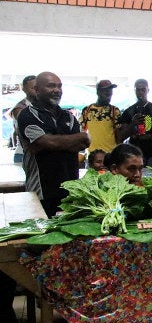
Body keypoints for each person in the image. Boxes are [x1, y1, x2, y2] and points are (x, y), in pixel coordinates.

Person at [17, 72, 91, 217]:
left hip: (70, 191)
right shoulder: (27, 115)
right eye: (51, 86)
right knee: (43, 235)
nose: (57, 90)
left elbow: (84, 142)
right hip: (42, 192)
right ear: (37, 90)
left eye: (59, 86)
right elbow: (47, 143)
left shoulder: (68, 117)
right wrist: (71, 140)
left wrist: (54, 143)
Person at [117, 79, 152, 167]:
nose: (140, 92)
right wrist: (133, 124)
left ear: (148, 90)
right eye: (138, 90)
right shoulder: (129, 111)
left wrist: (145, 137)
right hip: (133, 155)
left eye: (143, 89)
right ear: (135, 91)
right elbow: (120, 137)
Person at [79, 80, 121, 153]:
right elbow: (81, 132)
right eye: (106, 91)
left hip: (110, 154)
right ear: (98, 92)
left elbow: (119, 135)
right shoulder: (87, 110)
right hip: (92, 155)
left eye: (110, 91)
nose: (109, 93)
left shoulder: (114, 110)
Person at [10, 74, 36, 163]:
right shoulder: (19, 108)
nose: (36, 90)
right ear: (24, 89)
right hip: (23, 154)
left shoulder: (46, 106)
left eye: (38, 87)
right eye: (33, 88)